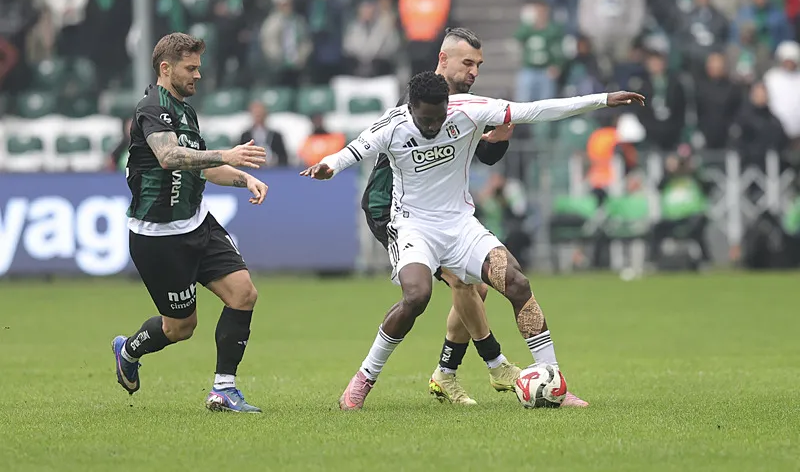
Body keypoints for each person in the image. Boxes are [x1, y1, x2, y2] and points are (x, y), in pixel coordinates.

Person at [302, 71, 645, 410]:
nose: (434, 126)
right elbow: (350, 152)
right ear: (411, 108)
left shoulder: (468, 109)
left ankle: (554, 381)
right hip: (414, 229)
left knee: (517, 283)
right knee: (417, 296)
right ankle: (362, 380)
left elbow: (535, 110)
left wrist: (602, 100)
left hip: (461, 226)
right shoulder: (392, 125)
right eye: (426, 119)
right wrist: (328, 166)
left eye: (439, 117)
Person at [111, 33, 269, 413]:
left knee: (244, 293)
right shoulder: (151, 107)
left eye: (199, 67)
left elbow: (201, 165)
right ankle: (128, 349)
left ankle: (223, 389)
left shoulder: (185, 109)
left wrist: (242, 177)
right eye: (191, 68)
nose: (198, 75)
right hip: (158, 238)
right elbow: (168, 156)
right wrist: (226, 153)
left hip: (197, 223)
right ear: (166, 68)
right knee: (180, 328)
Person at [360, 28, 518, 406]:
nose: (474, 71)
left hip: (441, 214)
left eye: (478, 65)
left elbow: (485, 156)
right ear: (443, 60)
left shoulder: (463, 104)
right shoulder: (422, 99)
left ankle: (445, 374)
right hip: (396, 208)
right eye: (468, 63)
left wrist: (500, 137)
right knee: (462, 284)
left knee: (476, 289)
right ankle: (496, 363)